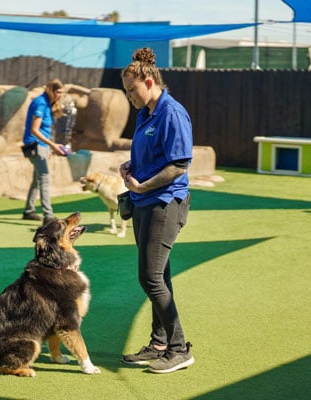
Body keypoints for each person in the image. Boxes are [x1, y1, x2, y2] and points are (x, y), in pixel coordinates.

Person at [118, 47, 194, 374]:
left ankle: (179, 348)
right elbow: (152, 154)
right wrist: (132, 166)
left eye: (131, 90)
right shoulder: (145, 113)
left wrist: (142, 186)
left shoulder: (172, 113)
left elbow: (178, 164)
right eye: (125, 91)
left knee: (149, 277)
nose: (129, 96)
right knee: (159, 275)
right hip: (144, 203)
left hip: (165, 203)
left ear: (148, 82)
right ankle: (160, 343)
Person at [21, 79, 68, 223]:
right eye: (58, 92)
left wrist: (49, 147)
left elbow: (44, 129)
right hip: (35, 146)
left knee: (37, 179)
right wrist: (52, 145)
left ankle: (29, 211)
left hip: (42, 146)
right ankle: (48, 216)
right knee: (45, 179)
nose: (60, 95)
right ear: (51, 90)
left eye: (62, 92)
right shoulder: (41, 103)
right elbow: (34, 129)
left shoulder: (47, 103)